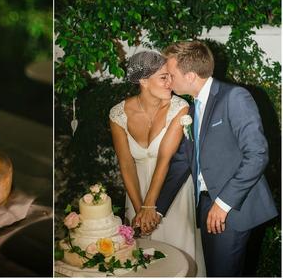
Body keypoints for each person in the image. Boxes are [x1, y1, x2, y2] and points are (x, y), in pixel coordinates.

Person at [154, 41, 278, 277]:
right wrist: (157, 209)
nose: (168, 81)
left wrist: (223, 204)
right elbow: (182, 162)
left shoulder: (234, 97)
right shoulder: (192, 109)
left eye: (170, 75)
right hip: (207, 206)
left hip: (232, 208)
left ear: (190, 76)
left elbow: (257, 154)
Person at [109, 51, 206, 276]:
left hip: (173, 190)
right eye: (164, 77)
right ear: (143, 81)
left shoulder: (179, 107)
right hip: (137, 190)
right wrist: (138, 209)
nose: (170, 82)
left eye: (170, 76)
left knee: (180, 255)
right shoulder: (118, 114)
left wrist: (150, 207)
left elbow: (165, 157)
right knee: (143, 259)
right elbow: (126, 164)